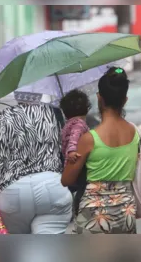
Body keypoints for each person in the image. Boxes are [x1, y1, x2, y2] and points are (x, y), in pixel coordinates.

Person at [0, 103, 73, 234]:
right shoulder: (56, 113)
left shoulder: (5, 115)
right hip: (52, 187)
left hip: (14, 192)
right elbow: (67, 151)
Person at [61, 67, 140, 234]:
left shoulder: (89, 139)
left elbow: (66, 179)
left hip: (94, 217)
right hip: (126, 213)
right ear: (125, 100)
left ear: (99, 98)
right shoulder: (134, 134)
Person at [59, 89, 91, 217]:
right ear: (87, 108)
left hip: (68, 166)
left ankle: (77, 207)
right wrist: (72, 151)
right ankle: (78, 207)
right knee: (83, 188)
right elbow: (74, 137)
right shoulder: (79, 123)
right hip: (77, 162)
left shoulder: (67, 124)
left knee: (79, 189)